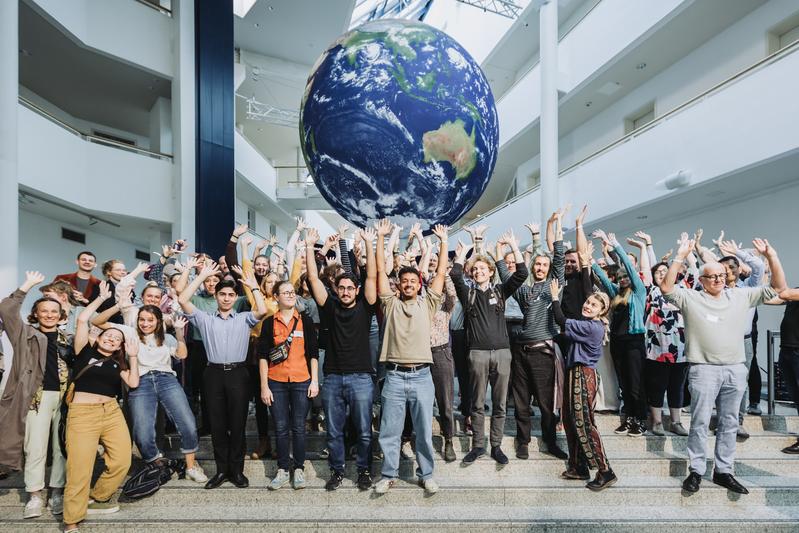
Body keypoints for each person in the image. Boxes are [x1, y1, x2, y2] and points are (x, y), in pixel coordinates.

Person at [661, 236, 785, 495]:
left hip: (735, 369)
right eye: (712, 276)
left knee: (729, 422)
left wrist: (772, 257)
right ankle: (696, 471)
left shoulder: (740, 296)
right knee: (700, 421)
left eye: (721, 274)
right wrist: (679, 257)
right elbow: (666, 288)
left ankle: (723, 471)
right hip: (703, 369)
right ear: (702, 280)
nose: (718, 279)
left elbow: (777, 288)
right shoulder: (690, 299)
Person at [373, 220, 449, 495]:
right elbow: (381, 270)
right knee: (389, 432)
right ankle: (388, 474)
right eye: (404, 281)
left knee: (423, 432)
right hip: (393, 375)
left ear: (419, 285)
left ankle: (426, 473)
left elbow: (440, 273)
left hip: (421, 376)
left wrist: (443, 242)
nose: (408, 285)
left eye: (413, 282)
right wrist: (381, 238)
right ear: (399, 285)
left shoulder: (428, 303)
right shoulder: (390, 303)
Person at [178, 260, 267, 490]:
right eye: (222, 294)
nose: (227, 298)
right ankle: (220, 471)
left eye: (230, 294)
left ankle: (237, 471)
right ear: (216, 297)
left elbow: (263, 309)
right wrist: (201, 276)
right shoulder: (205, 319)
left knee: (237, 424)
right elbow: (182, 299)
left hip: (238, 373)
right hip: (213, 374)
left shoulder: (243, 318)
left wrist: (253, 286)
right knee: (217, 425)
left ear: (234, 298)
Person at [94, 305, 208, 484]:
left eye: (150, 320)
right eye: (142, 319)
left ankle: (191, 467)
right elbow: (97, 321)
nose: (145, 324)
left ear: (158, 322)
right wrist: (117, 306)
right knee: (141, 432)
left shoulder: (167, 338)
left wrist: (179, 333)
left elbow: (182, 354)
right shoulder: (129, 333)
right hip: (141, 382)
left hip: (166, 379)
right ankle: (156, 463)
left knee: (187, 422)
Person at [305, 226, 378, 491]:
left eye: (350, 288)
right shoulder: (329, 306)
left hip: (361, 378)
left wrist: (369, 243)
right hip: (333, 377)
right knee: (334, 432)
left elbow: (371, 276)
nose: (346, 291)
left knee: (363, 430)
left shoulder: (366, 306)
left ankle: (364, 471)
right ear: (336, 289)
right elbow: (313, 279)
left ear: (356, 290)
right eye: (342, 287)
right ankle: (336, 472)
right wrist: (310, 247)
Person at [63, 282, 140, 532]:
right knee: (80, 468)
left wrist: (133, 355)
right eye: (109, 335)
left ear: (120, 346)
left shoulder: (119, 363)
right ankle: (72, 520)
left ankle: (97, 496)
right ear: (100, 338)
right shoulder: (83, 352)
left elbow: (134, 382)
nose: (112, 339)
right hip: (82, 414)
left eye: (117, 339)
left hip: (111, 412)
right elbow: (83, 320)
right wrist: (102, 299)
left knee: (121, 460)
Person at [451, 229, 528, 466]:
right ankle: (477, 446)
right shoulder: (468, 293)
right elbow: (455, 275)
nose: (478, 271)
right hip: (477, 353)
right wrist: (462, 256)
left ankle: (496, 446)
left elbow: (522, 273)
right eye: (475, 269)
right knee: (476, 402)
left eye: (482, 268)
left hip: (502, 353)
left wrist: (514, 248)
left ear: (491, 271)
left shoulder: (500, 290)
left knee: (500, 402)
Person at [0, 271, 73, 518]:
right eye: (44, 311)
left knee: (60, 447)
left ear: (62, 314)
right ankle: (34, 494)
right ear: (36, 314)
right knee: (35, 447)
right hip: (37, 398)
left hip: (65, 399)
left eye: (54, 311)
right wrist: (28, 285)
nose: (49, 315)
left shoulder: (69, 339)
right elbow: (7, 309)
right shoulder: (25, 335)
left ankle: (57, 492)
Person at [499, 209, 567, 461]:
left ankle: (551, 441)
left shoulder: (553, 287)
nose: (540, 267)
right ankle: (523, 440)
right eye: (537, 264)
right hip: (521, 351)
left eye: (544, 265)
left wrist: (557, 228)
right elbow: (507, 278)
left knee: (547, 401)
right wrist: (501, 251)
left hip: (543, 353)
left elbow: (559, 261)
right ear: (532, 266)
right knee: (521, 401)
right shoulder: (525, 291)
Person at [550, 277, 617, 491]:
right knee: (570, 421)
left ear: (602, 311)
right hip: (574, 373)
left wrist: (554, 297)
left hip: (583, 374)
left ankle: (605, 470)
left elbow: (561, 319)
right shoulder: (586, 324)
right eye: (587, 303)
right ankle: (578, 466)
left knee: (584, 422)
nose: (588, 306)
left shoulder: (593, 327)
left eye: (594, 305)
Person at [258, 280, 319, 490]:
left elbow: (313, 354)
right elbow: (263, 357)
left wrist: (315, 381)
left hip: (302, 380)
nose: (291, 295)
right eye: (285, 292)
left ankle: (299, 468)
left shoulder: (306, 321)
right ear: (276, 297)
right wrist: (264, 386)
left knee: (299, 427)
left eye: (292, 292)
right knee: (281, 427)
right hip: (276, 381)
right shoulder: (269, 323)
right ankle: (283, 469)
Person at [592, 229, 649, 437]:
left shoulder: (639, 292)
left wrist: (615, 246)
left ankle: (640, 420)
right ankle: (628, 419)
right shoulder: (616, 293)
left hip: (634, 342)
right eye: (620, 277)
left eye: (626, 276)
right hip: (618, 342)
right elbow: (601, 276)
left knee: (635, 383)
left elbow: (630, 270)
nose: (623, 279)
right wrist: (589, 259)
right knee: (624, 383)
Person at [769, 286, 799, 454]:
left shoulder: (793, 293)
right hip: (787, 350)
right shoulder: (794, 291)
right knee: (795, 396)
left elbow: (783, 293)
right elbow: (771, 299)